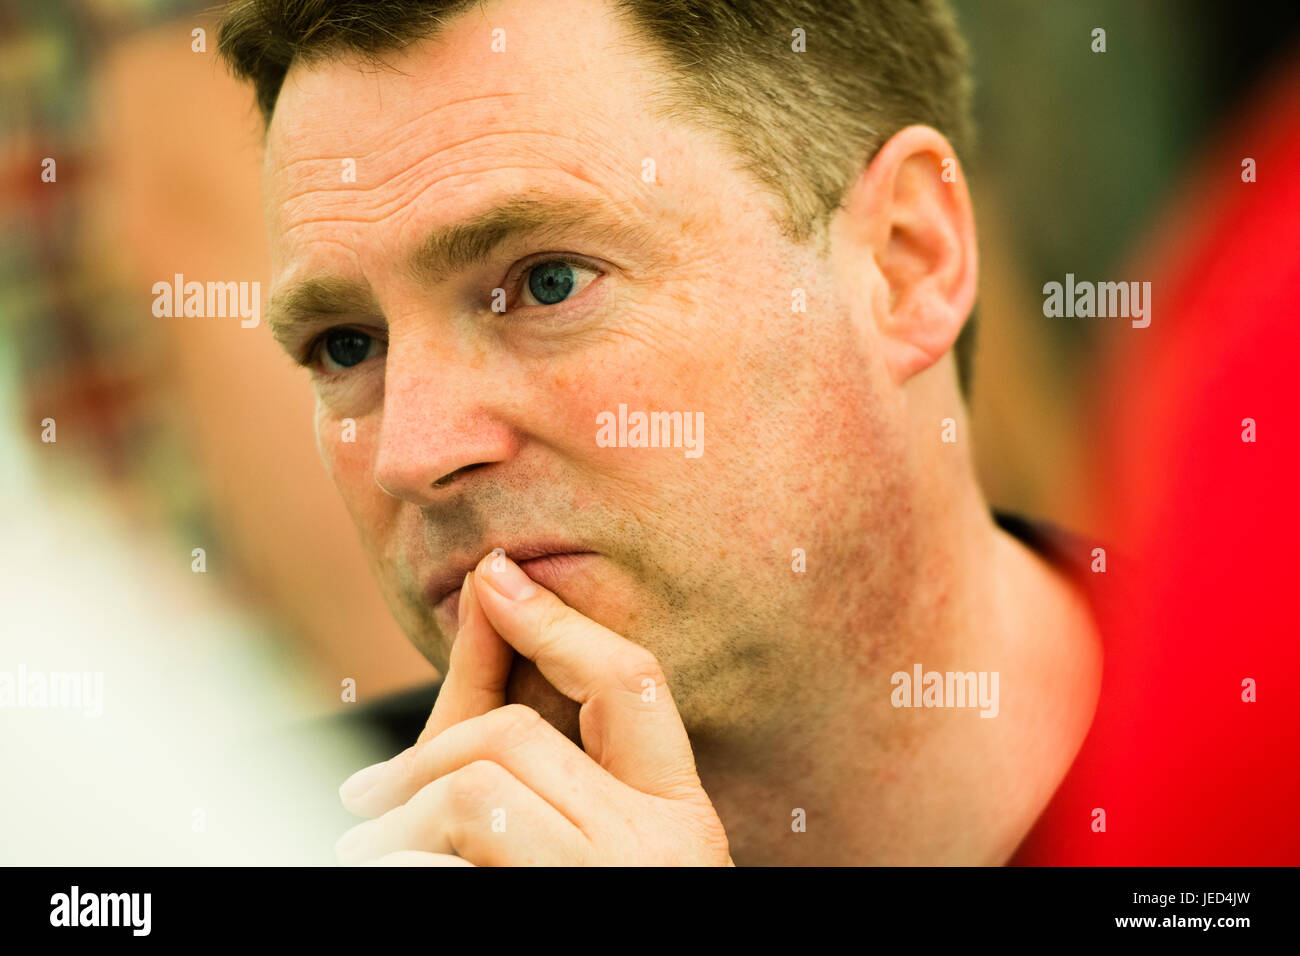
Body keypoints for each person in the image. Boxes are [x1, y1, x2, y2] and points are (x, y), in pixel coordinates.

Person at [216, 0, 1102, 865]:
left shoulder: (1234, 780)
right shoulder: (219, 830)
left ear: (906, 260)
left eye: (549, 282)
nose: (414, 453)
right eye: (346, 346)